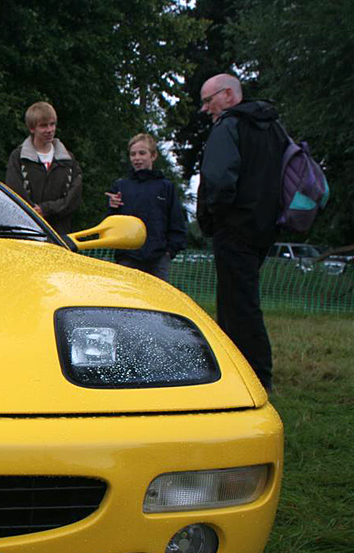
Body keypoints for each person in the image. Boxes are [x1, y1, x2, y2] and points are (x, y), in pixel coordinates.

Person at [197, 73, 288, 391]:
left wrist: (214, 216)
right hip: (265, 228)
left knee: (236, 306)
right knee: (246, 301)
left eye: (208, 101)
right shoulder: (275, 128)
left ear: (227, 95)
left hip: (234, 228)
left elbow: (219, 180)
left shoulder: (229, 127)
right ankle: (255, 373)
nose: (207, 109)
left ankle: (252, 378)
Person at [105, 133, 188, 281]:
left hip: (158, 258)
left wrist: (169, 252)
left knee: (158, 301)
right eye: (133, 154)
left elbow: (176, 222)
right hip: (128, 258)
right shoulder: (120, 186)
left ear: (153, 155)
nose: (137, 158)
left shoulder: (165, 187)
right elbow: (111, 225)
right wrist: (112, 208)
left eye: (142, 153)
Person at [6, 101, 82, 234]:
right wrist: (34, 213)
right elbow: (14, 192)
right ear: (32, 128)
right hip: (27, 232)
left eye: (52, 124)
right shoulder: (18, 158)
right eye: (43, 126)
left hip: (61, 234)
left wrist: (45, 209)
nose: (49, 130)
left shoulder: (69, 159)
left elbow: (73, 199)